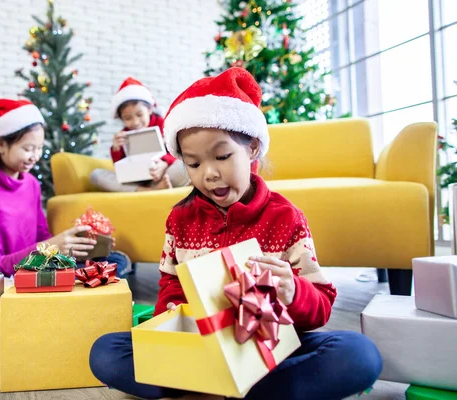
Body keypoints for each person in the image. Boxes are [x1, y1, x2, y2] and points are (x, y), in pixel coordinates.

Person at [88, 68, 382, 399]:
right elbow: (171, 284)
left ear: (253, 148)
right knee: (106, 351)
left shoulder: (286, 218)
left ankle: (217, 387)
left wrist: (291, 289)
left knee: (358, 355)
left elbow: (321, 307)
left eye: (222, 156)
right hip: (200, 344)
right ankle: (230, 386)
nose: (210, 174)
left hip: (272, 347)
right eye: (194, 165)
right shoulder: (180, 219)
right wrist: (170, 313)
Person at [0, 99, 130, 277]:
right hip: (6, 278)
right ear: (0, 144)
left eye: (39, 148)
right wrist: (48, 248)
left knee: (117, 260)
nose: (35, 156)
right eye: (28, 148)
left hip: (35, 266)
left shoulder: (31, 183)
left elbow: (42, 236)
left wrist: (74, 246)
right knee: (100, 273)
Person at [90, 77, 190, 192]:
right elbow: (121, 169)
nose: (135, 122)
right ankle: (147, 190)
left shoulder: (164, 124)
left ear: (150, 110)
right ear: (122, 119)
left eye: (139, 114)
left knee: (187, 163)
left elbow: (179, 151)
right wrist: (116, 149)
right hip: (137, 181)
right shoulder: (124, 135)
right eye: (128, 118)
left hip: (163, 174)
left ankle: (153, 187)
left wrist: (164, 163)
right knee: (96, 175)